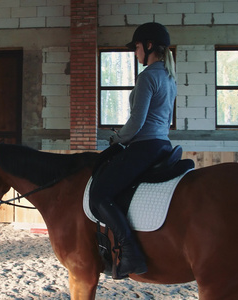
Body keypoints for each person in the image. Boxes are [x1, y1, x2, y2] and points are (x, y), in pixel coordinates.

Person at [89, 22, 177, 279]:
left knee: (100, 194)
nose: (135, 53)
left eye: (137, 47)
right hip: (162, 144)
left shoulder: (148, 76)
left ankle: (129, 253)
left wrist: (117, 139)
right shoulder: (169, 77)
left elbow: (137, 123)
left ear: (149, 46)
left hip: (144, 146)